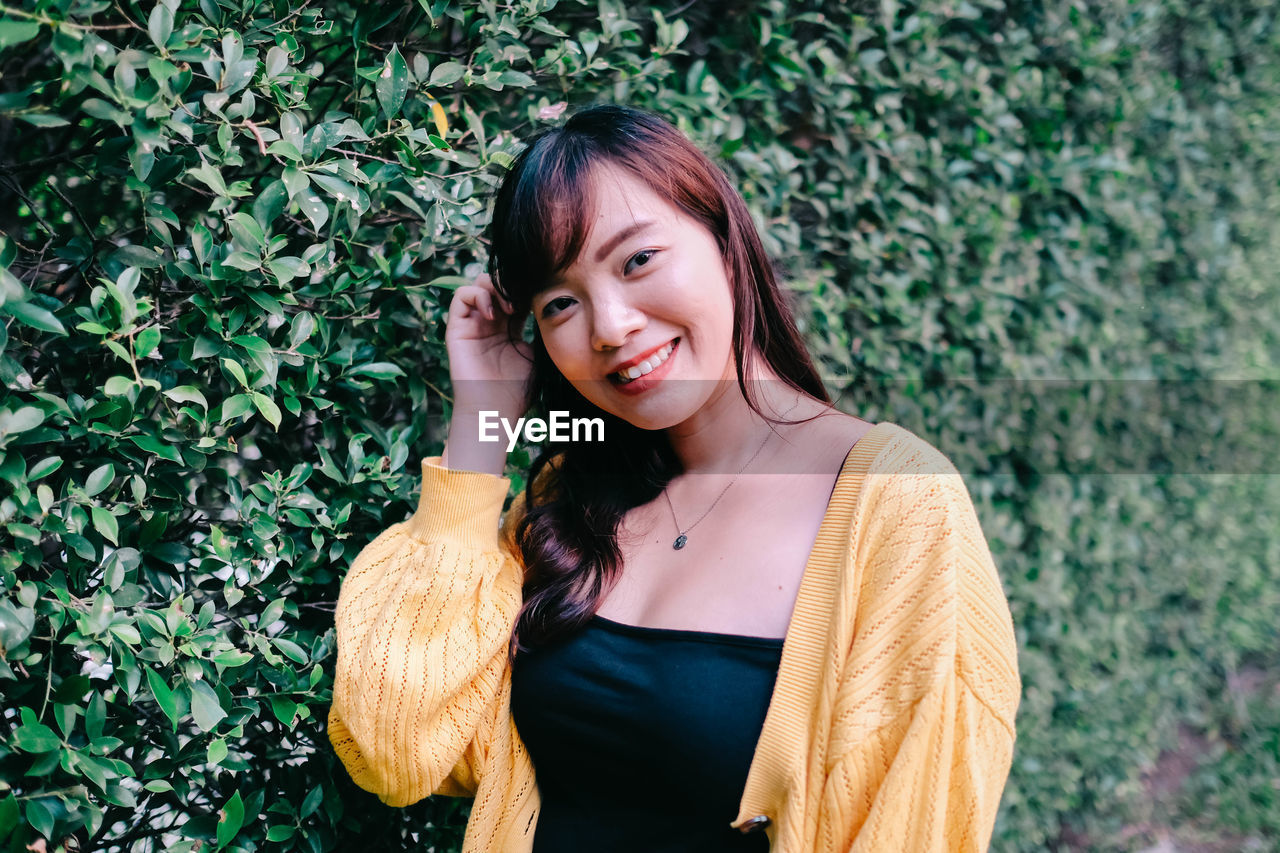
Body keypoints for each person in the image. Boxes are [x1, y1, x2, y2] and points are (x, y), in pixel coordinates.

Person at [328, 104, 1020, 852]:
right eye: (560, 302)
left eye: (637, 260)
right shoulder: (568, 493)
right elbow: (398, 749)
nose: (610, 326)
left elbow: (912, 824)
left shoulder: (896, 503)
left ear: (724, 238)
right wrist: (480, 427)